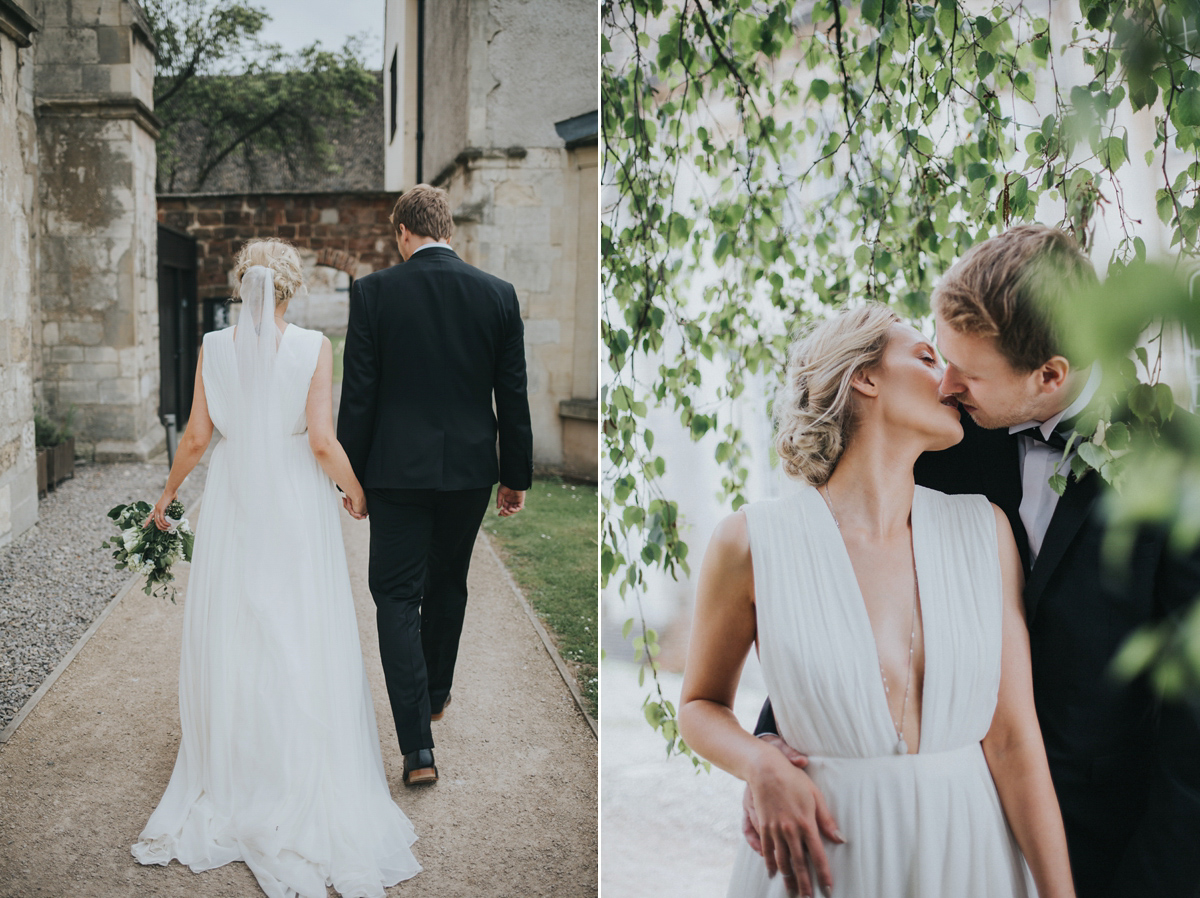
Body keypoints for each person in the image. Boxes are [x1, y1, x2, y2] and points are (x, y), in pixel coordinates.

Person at [747, 226, 1200, 897]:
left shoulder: (1174, 464)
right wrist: (771, 749)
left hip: (1099, 842)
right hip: (937, 824)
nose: (946, 384)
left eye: (967, 371)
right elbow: (849, 577)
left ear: (1050, 374)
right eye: (939, 354)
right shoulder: (941, 435)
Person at [679, 304, 1077, 898]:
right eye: (925, 356)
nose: (947, 380)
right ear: (863, 377)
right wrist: (758, 762)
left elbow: (1014, 741)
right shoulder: (750, 541)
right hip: (828, 859)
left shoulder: (985, 530)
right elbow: (700, 705)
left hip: (968, 855)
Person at [131, 239, 421, 897]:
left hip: (234, 499)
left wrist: (168, 492)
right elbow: (321, 441)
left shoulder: (213, 345)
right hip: (293, 501)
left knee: (238, 626)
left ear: (244, 287)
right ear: (291, 291)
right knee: (296, 625)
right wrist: (354, 489)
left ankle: (235, 767)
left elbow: (200, 438)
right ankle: (294, 766)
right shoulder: (315, 348)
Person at [336, 184, 533, 787]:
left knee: (396, 596)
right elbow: (513, 395)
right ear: (449, 229)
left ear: (403, 231)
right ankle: (438, 692)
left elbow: (359, 394)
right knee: (448, 581)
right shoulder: (498, 296)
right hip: (470, 474)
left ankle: (418, 748)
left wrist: (353, 478)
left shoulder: (373, 293)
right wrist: (514, 475)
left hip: (394, 474)